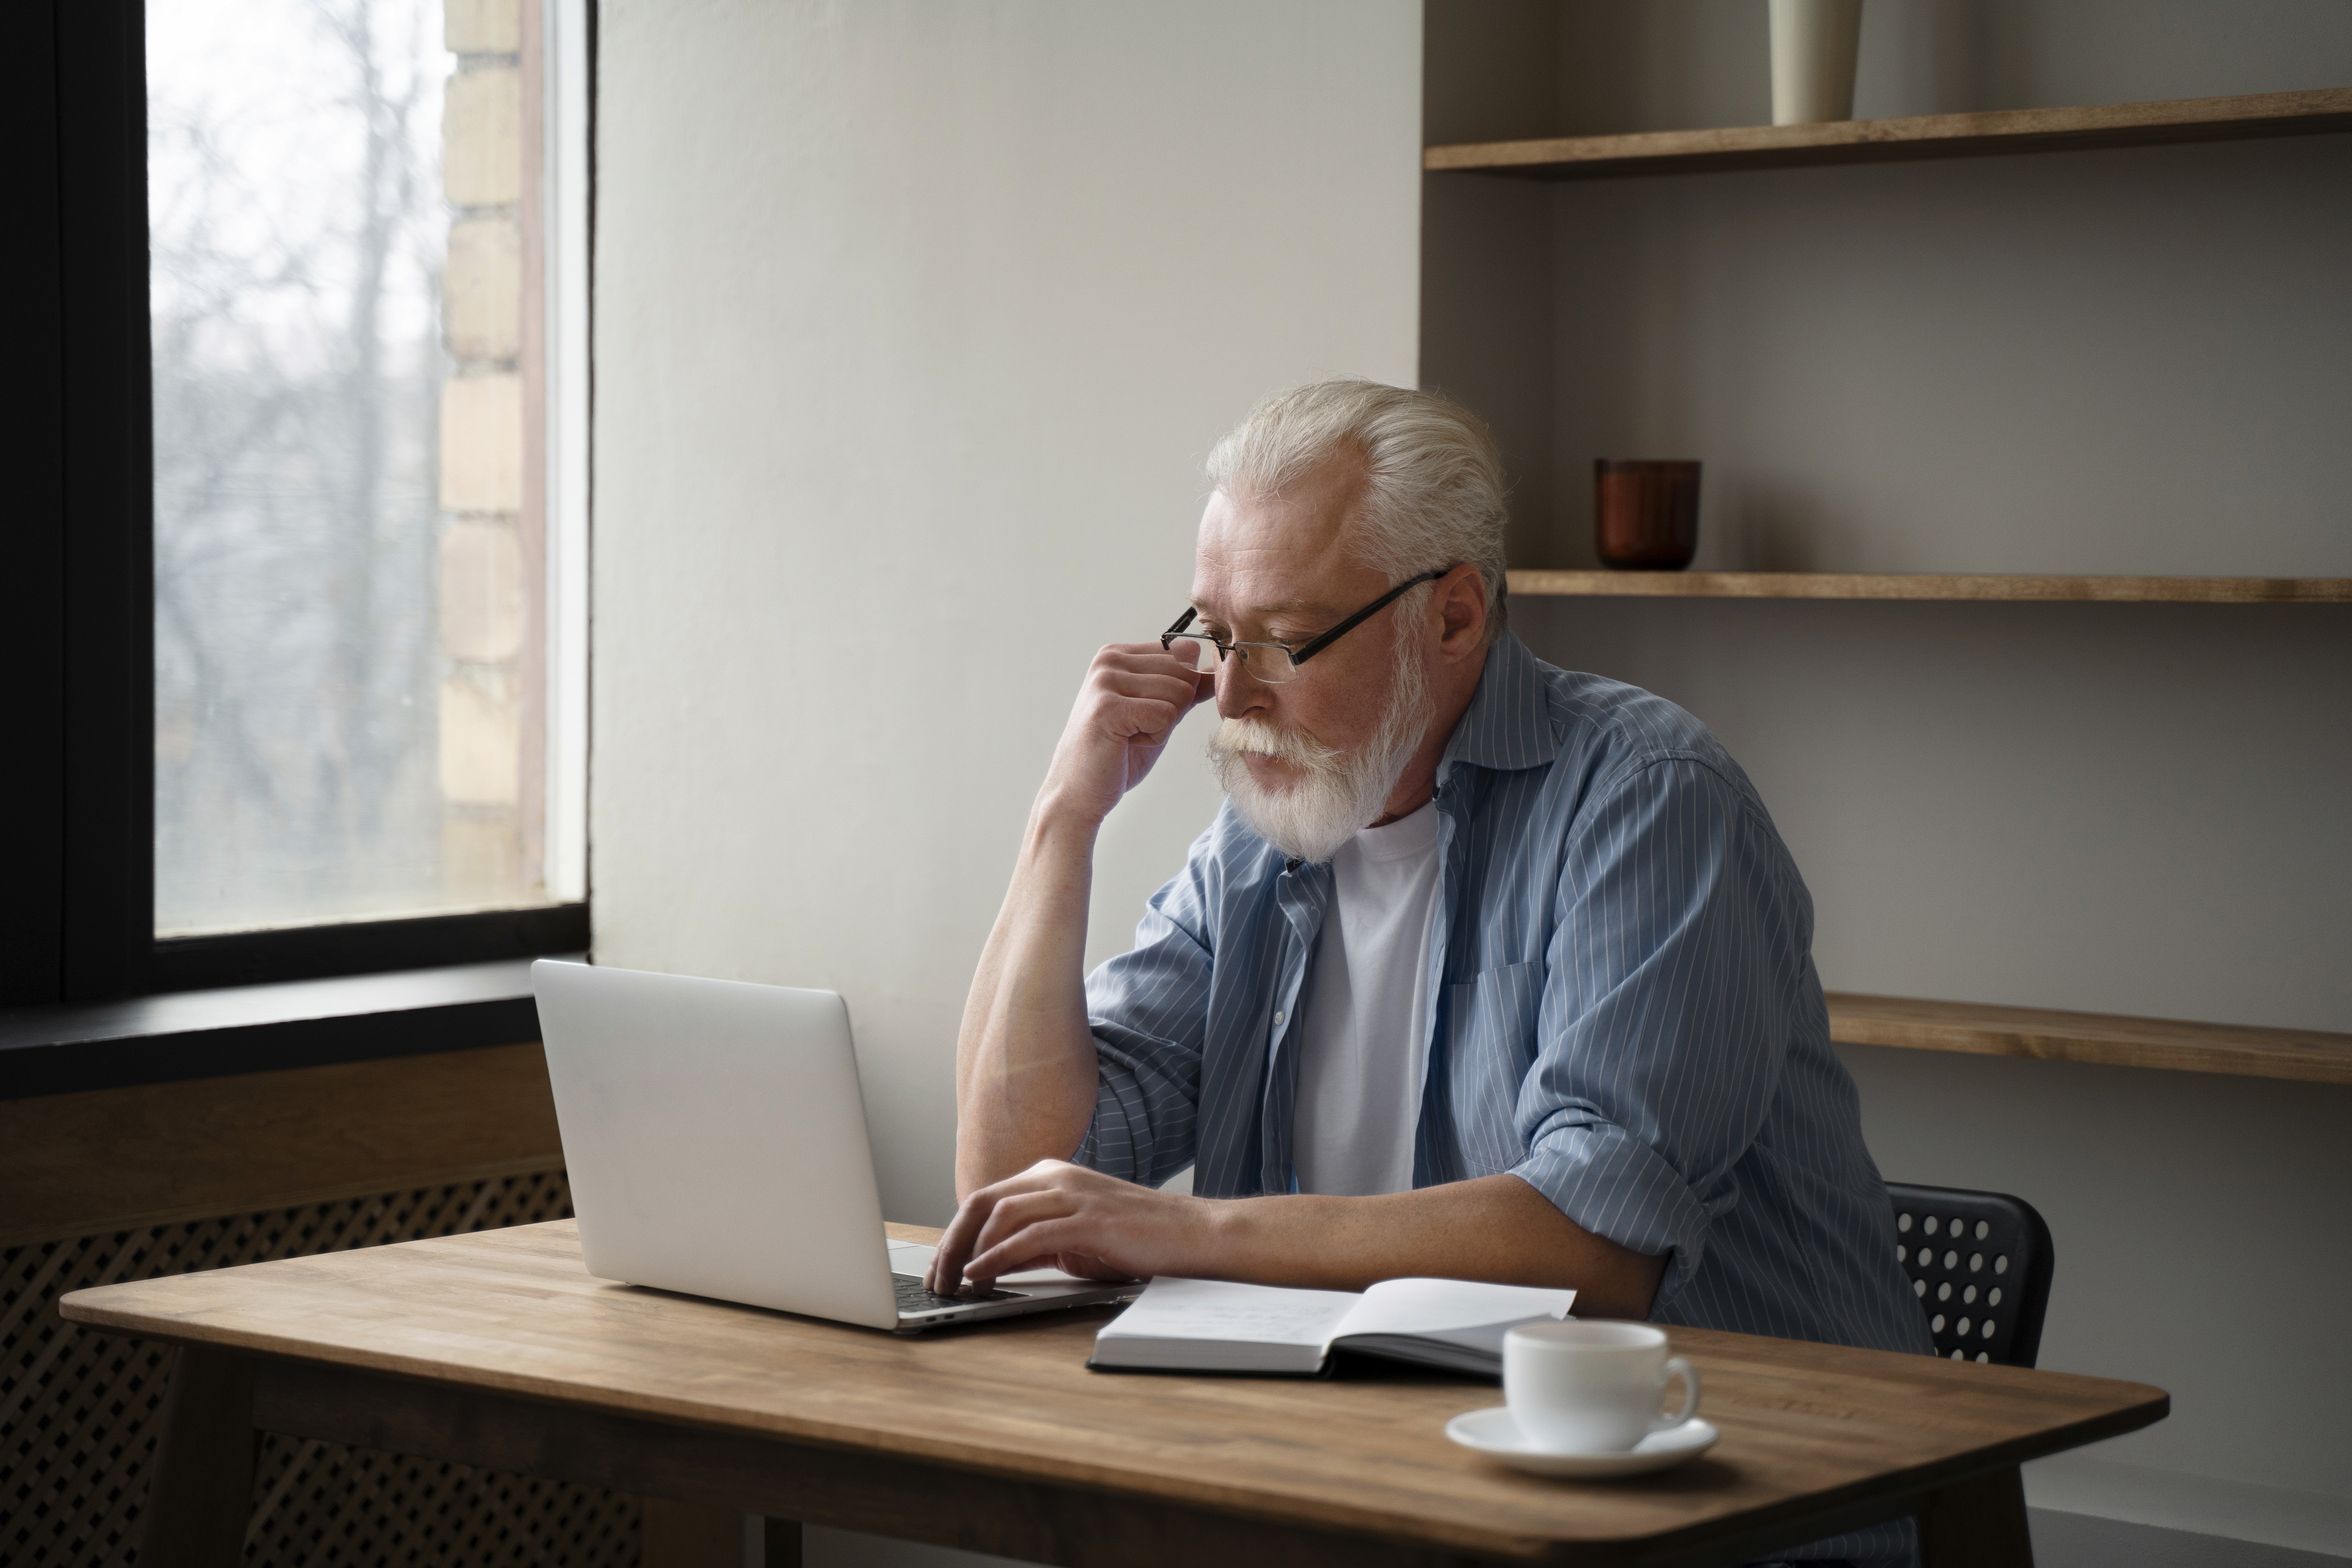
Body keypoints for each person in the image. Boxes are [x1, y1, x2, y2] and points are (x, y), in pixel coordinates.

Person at [928, 378, 1928, 1563]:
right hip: (1386, 1473)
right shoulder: (1259, 842)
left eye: (1285, 639)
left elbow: (1596, 1248)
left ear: (1454, 617)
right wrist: (1063, 821)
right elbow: (1015, 1185)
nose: (1231, 696)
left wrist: (1189, 1230)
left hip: (1729, 1506)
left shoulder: (1651, 798)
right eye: (1214, 633)